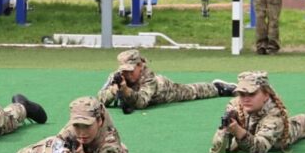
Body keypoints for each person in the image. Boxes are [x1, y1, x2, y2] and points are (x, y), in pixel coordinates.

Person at [210, 71, 305, 153]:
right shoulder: (234, 105)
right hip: (252, 132)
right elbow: (216, 145)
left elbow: (259, 149)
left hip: (279, 137)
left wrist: (238, 132)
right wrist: (226, 131)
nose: (245, 98)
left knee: (298, 125)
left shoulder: (275, 115)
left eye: (251, 94)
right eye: (242, 94)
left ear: (266, 95)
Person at [15, 97, 128, 153]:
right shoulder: (70, 130)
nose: (82, 132)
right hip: (71, 152)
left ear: (100, 121)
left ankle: (121, 150)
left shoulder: (110, 139)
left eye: (87, 126)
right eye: (77, 125)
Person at [96, 49, 237, 113]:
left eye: (131, 70)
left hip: (165, 91)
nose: (128, 74)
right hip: (147, 95)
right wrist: (114, 90)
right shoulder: (117, 76)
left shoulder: (148, 76)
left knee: (192, 91)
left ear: (140, 65)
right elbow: (100, 99)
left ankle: (219, 87)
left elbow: (141, 103)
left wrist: (126, 90)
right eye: (125, 70)